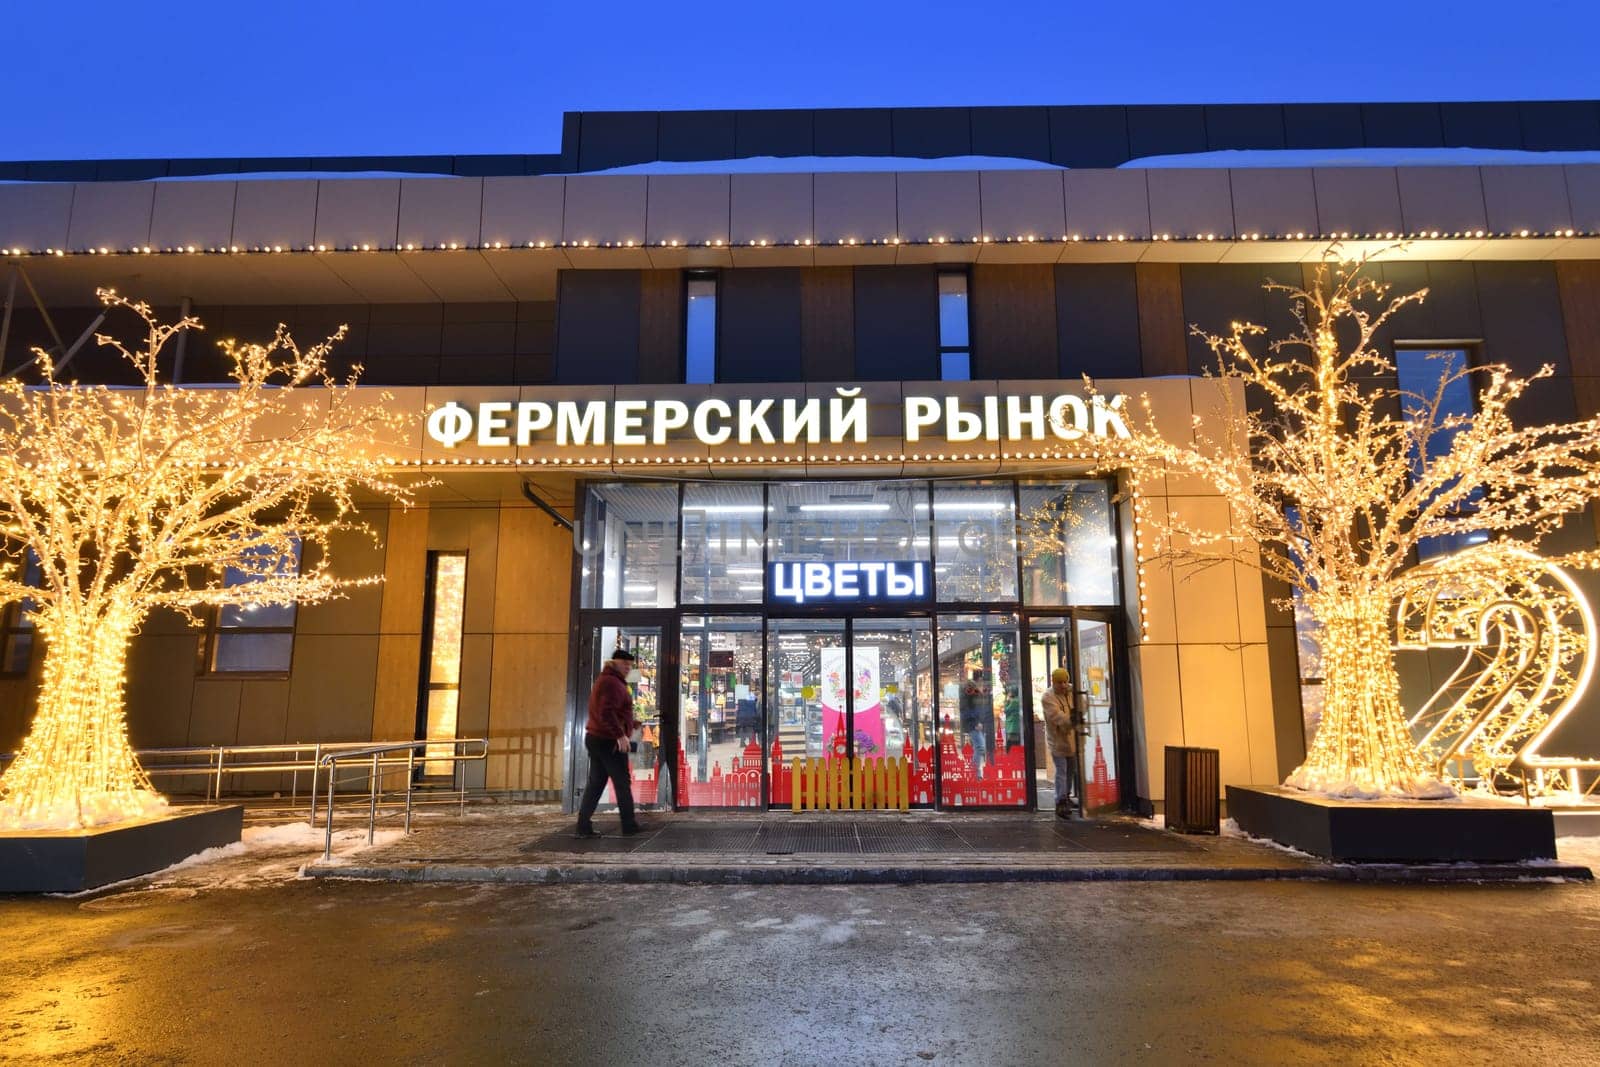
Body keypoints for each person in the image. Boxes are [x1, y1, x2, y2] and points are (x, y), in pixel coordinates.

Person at [576, 648, 648, 838]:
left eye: (630, 665)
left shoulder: (609, 680)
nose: (627, 668)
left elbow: (611, 713)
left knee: (597, 783)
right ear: (614, 662)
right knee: (622, 782)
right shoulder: (611, 682)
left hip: (597, 738)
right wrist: (620, 736)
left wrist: (631, 724)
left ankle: (583, 826)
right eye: (625, 664)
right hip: (608, 741)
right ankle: (629, 825)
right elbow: (606, 713)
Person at [1041, 667, 1080, 819]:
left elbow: (1082, 703)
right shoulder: (1048, 697)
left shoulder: (1071, 693)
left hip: (1072, 739)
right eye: (1060, 682)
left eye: (1065, 681)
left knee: (1070, 769)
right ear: (1053, 682)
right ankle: (1060, 801)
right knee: (1062, 770)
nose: (1063, 685)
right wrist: (1072, 720)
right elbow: (1056, 716)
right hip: (1057, 739)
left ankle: (1066, 795)